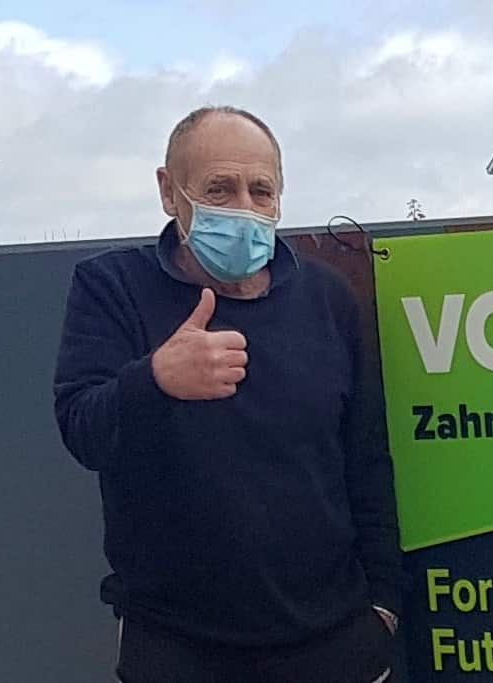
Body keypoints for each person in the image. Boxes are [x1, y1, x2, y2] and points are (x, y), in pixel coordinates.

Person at [53, 106, 404, 683]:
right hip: (177, 646)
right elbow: (82, 432)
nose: (243, 208)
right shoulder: (112, 288)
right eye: (219, 188)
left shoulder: (326, 297)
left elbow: (365, 459)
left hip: (334, 641)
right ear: (169, 192)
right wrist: (155, 380)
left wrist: (384, 607)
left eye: (260, 190)